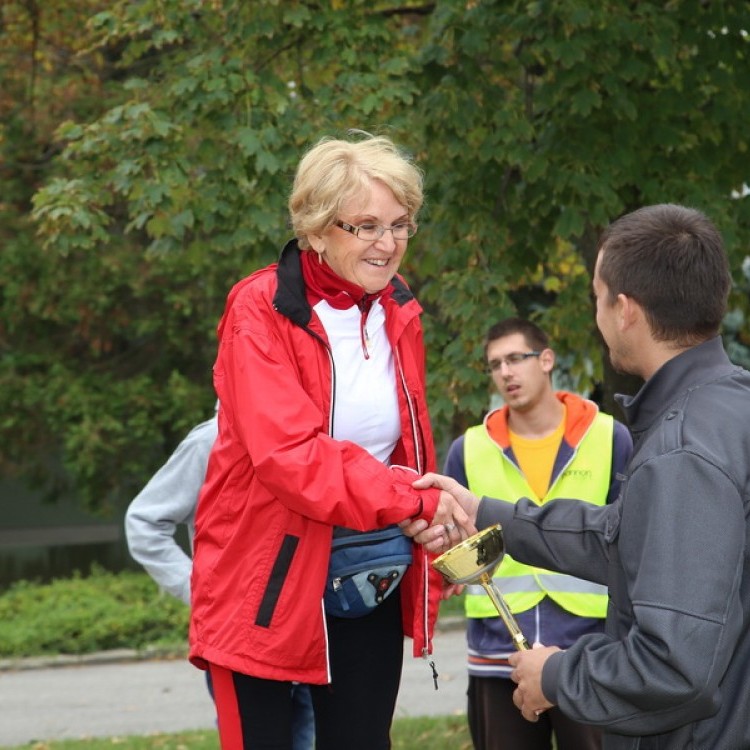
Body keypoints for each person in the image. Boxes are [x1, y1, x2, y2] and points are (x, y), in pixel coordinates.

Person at [404, 203, 750, 749]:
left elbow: (676, 669)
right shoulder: (730, 406)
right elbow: (624, 540)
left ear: (625, 310)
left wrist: (558, 675)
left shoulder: (683, 451)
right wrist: (486, 514)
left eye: (596, 297)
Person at [188, 132, 470, 750]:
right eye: (365, 225)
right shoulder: (258, 309)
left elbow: (405, 448)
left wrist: (423, 503)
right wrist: (411, 499)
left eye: (400, 224)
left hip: (367, 569)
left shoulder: (399, 307)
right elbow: (290, 457)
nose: (388, 243)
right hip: (264, 579)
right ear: (317, 228)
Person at [443, 317, 632, 750]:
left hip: (589, 654)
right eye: (495, 365)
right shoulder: (468, 450)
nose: (505, 372)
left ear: (546, 360)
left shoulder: (609, 437)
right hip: (497, 657)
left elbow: (631, 542)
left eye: (516, 358)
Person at [124, 414, 315, 750]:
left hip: (313, 629)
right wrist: (199, 590)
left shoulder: (318, 435)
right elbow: (144, 522)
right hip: (240, 638)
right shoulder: (211, 439)